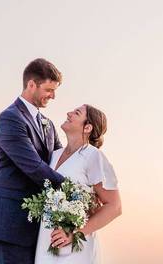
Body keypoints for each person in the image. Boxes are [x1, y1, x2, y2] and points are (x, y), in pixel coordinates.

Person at [0, 59, 65, 264]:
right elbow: (33, 166)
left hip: (36, 226)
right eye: (49, 89)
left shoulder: (48, 125)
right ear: (31, 84)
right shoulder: (10, 118)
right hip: (10, 223)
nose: (53, 96)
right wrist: (72, 189)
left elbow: (61, 160)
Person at [36, 104, 121, 263]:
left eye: (76, 113)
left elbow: (114, 206)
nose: (69, 113)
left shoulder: (92, 156)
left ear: (87, 127)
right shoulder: (53, 155)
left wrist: (74, 233)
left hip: (75, 248)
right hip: (46, 240)